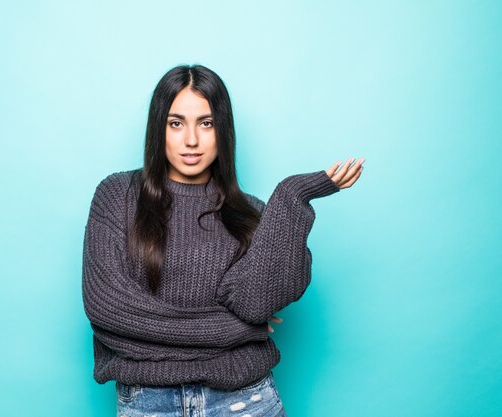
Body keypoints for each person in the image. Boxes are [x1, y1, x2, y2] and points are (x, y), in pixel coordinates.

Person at [82, 64, 364, 416]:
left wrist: (291, 195)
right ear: (158, 128)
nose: (191, 140)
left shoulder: (252, 214)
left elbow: (255, 305)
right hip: (149, 404)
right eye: (176, 123)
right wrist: (240, 330)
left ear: (223, 130)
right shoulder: (118, 195)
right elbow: (109, 310)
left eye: (206, 123)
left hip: (246, 402)